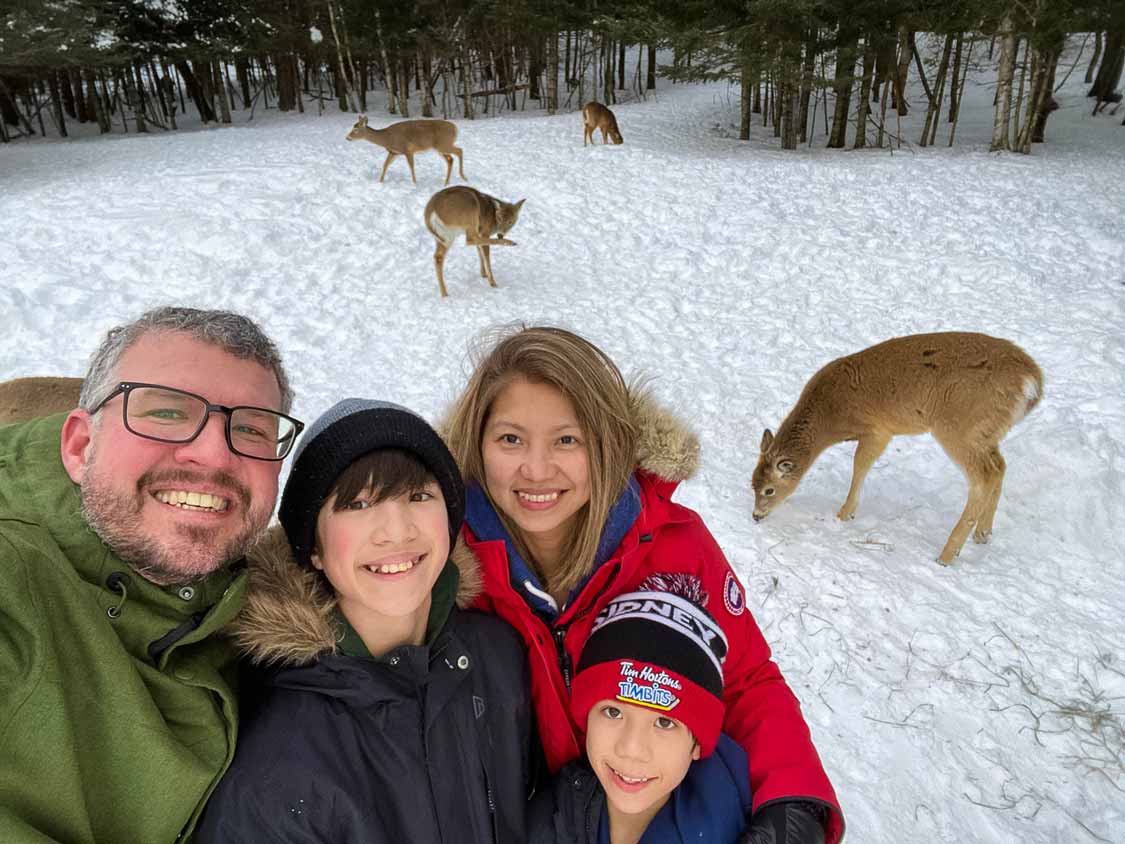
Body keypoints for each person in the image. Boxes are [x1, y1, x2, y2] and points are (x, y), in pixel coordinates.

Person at [444, 326, 846, 844]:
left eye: (567, 439)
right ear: (477, 444)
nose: (537, 469)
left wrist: (793, 801)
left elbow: (745, 679)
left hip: (662, 815)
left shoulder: (672, 546)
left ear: (608, 443)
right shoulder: (442, 564)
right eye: (510, 439)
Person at [0, 306, 301, 844]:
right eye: (166, 413)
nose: (213, 455)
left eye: (252, 427)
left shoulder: (249, 605)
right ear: (79, 445)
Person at [196, 399, 531, 843]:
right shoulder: (278, 757)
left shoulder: (497, 653)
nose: (396, 530)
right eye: (357, 504)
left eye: (418, 496)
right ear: (312, 548)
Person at [530, 588, 756, 844]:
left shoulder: (741, 823)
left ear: (697, 742)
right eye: (613, 712)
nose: (631, 749)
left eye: (664, 722)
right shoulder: (545, 820)